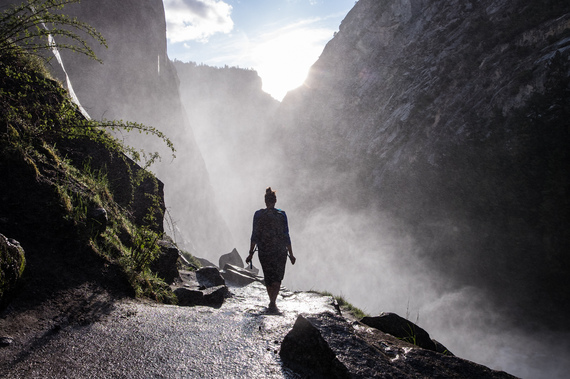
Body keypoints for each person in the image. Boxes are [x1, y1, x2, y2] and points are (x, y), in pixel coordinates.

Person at [246, 187, 295, 312]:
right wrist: (291, 254)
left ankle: (271, 301)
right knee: (277, 277)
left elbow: (254, 235)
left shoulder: (258, 214)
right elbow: (286, 235)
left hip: (264, 251)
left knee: (268, 276)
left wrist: (250, 254)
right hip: (280, 251)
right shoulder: (282, 214)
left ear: (265, 201)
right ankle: (273, 301)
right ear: (275, 201)